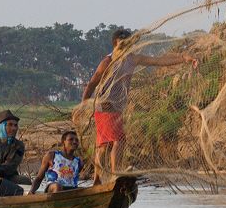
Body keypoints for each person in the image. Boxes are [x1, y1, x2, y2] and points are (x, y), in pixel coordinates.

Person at [81, 28, 197, 183]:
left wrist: (183, 57)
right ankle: (115, 174)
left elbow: (158, 61)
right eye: (123, 44)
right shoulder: (108, 62)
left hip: (115, 108)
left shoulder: (132, 59)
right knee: (119, 140)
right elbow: (92, 84)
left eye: (129, 43)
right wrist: (83, 104)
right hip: (106, 106)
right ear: (115, 44)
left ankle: (97, 179)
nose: (126, 46)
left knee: (103, 145)